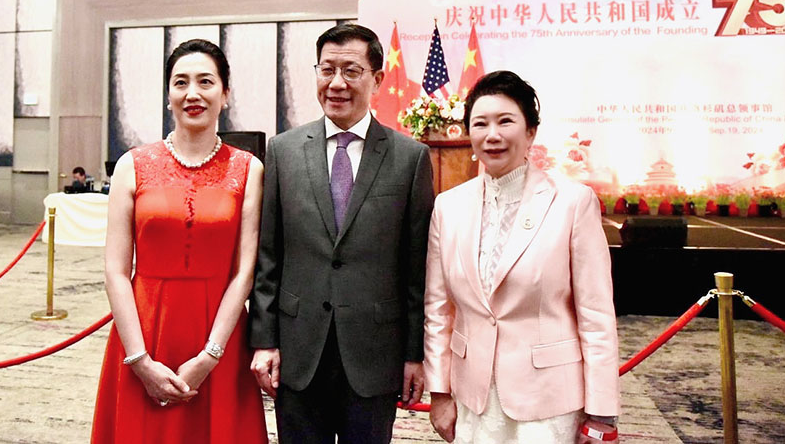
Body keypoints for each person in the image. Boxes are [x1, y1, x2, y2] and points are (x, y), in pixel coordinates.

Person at [248, 23, 435, 444]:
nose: (336, 83)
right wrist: (264, 341)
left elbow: (417, 269)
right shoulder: (283, 151)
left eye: (351, 71)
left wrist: (414, 354)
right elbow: (268, 256)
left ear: (377, 79)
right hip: (298, 350)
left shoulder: (410, 159)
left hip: (375, 354)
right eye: (327, 69)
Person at [424, 70, 620, 444]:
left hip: (548, 401)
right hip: (473, 398)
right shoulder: (448, 207)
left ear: (530, 132)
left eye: (505, 121)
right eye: (480, 123)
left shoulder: (572, 203)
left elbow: (596, 315)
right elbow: (438, 309)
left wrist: (601, 411)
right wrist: (439, 392)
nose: (492, 134)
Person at [91, 39, 268, 443]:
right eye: (181, 82)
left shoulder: (249, 169)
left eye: (206, 82)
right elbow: (115, 270)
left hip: (219, 335)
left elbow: (244, 273)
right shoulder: (132, 165)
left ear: (225, 93)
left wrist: (210, 356)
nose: (193, 94)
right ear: (168, 94)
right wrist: (139, 360)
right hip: (142, 334)